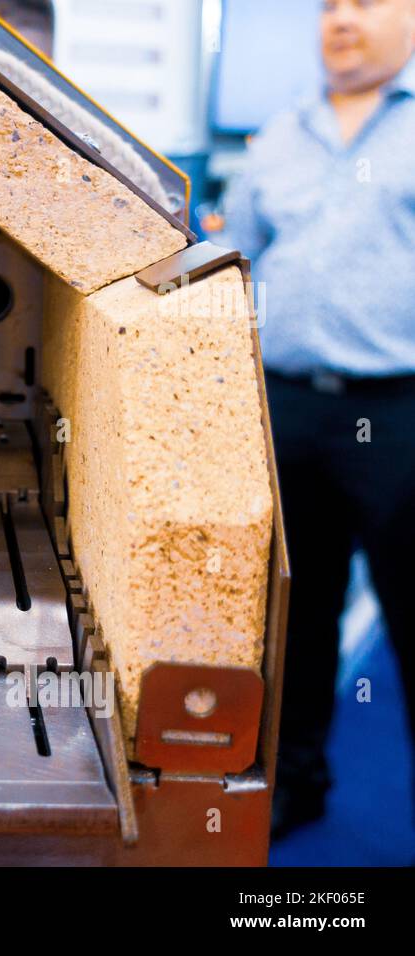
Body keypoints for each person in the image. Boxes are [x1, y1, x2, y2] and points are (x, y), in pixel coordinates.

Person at [218, 0, 415, 837]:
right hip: (287, 406)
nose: (342, 19)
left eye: (366, 3)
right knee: (296, 614)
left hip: (398, 414)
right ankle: (296, 783)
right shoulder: (278, 135)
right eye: (330, 4)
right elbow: (240, 261)